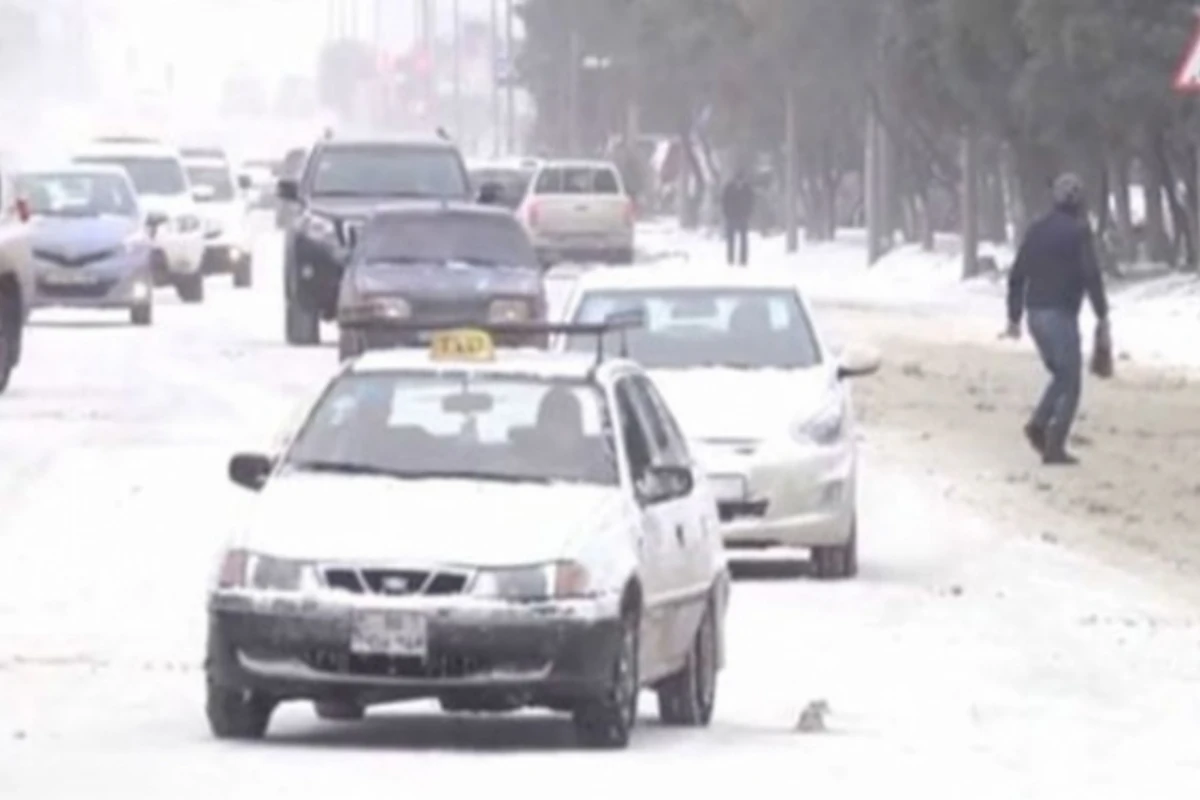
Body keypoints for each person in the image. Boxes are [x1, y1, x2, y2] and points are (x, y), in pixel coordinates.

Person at [1004, 173, 1110, 466]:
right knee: (1070, 380)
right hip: (1060, 314)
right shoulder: (1078, 232)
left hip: (1035, 315)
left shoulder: (1036, 230)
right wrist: (1102, 314)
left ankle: (1043, 430)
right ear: (1078, 201)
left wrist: (1014, 316)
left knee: (1060, 376)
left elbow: (1017, 275)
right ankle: (1049, 438)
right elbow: (1091, 274)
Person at [721, 170, 755, 266]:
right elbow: (724, 201)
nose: (740, 183)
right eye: (738, 180)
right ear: (735, 180)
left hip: (743, 217)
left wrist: (748, 214)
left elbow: (751, 201)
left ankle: (743, 260)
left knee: (743, 239)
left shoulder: (747, 188)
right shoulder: (729, 188)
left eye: (741, 181)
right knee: (731, 240)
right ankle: (730, 259)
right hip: (731, 217)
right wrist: (726, 214)